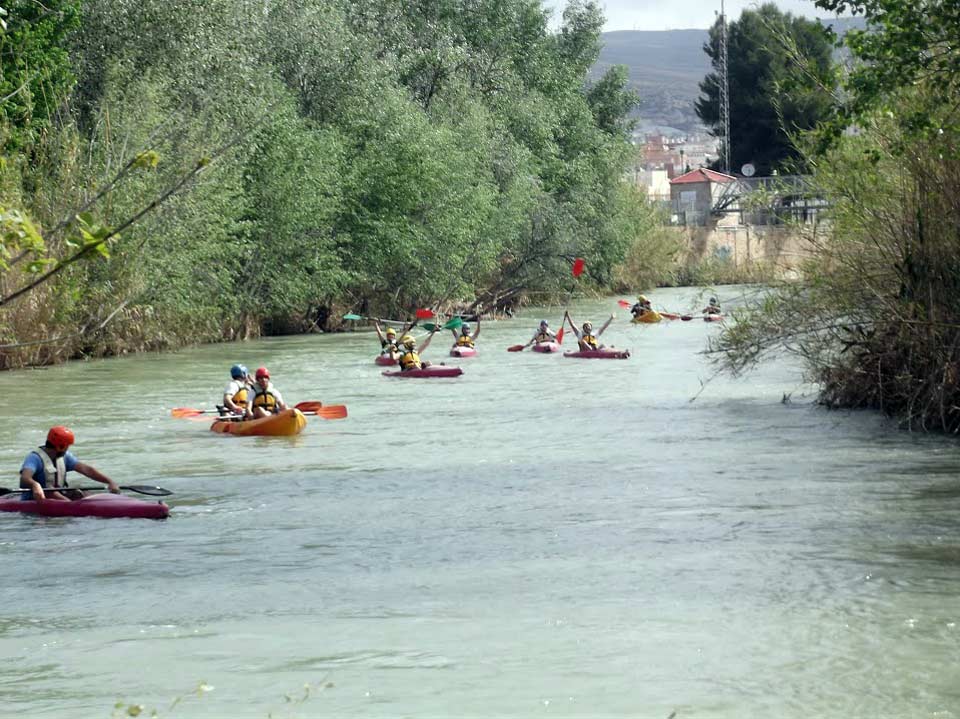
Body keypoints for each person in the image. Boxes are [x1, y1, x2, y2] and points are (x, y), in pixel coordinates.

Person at [19, 426, 119, 501]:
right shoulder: (34, 458)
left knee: (80, 492)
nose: (68, 448)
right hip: (39, 498)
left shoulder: (65, 456)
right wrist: (35, 485)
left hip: (58, 495)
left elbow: (87, 470)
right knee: (51, 491)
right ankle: (72, 506)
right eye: (67, 446)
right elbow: (25, 478)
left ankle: (106, 502)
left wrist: (110, 481)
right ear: (61, 446)